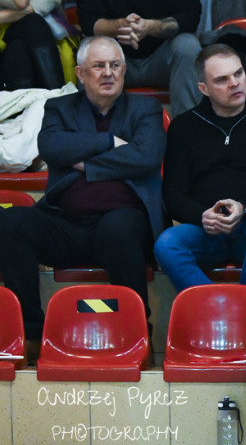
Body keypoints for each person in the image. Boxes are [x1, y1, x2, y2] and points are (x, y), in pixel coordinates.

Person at [0, 36, 165, 358]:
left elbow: (147, 157)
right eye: (98, 66)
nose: (108, 73)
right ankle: (31, 333)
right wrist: (112, 143)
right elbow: (52, 148)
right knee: (11, 221)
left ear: (125, 70)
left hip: (126, 225)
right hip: (66, 225)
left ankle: (136, 332)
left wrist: (85, 162)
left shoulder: (146, 107)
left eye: (115, 65)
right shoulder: (58, 107)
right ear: (80, 73)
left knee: (117, 226)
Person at [156, 44, 246, 292]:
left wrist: (243, 207)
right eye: (222, 80)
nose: (235, 83)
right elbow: (173, 196)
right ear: (204, 89)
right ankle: (216, 307)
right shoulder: (184, 127)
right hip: (206, 231)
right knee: (167, 244)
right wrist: (204, 215)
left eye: (239, 74)